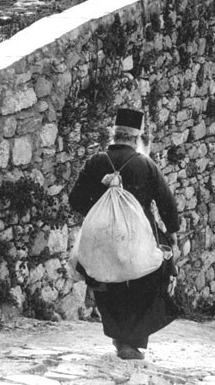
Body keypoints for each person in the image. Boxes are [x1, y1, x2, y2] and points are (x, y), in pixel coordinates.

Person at [68, 108, 180, 360]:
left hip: (101, 237)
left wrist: (99, 212)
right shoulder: (145, 164)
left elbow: (75, 199)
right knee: (148, 277)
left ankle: (120, 338)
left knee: (105, 281)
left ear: (114, 134)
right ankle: (131, 341)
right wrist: (172, 232)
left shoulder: (95, 161)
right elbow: (167, 202)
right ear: (137, 138)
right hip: (139, 238)